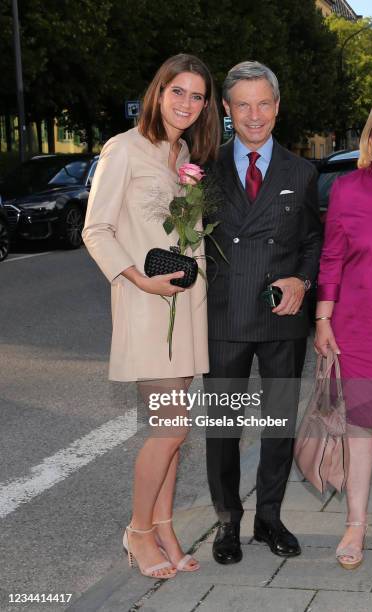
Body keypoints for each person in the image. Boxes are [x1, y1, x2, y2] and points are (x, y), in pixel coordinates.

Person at [82, 54, 220, 579]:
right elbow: (95, 230)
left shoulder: (184, 154)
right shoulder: (123, 149)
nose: (186, 103)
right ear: (157, 92)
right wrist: (137, 279)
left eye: (197, 95)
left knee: (175, 434)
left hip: (185, 311)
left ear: (206, 106)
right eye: (177, 91)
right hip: (146, 308)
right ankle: (138, 531)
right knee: (171, 428)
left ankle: (163, 526)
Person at [203, 61, 322, 564]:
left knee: (277, 422)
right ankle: (227, 521)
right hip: (225, 314)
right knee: (224, 426)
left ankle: (269, 517)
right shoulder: (202, 166)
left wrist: (302, 278)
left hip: (282, 313)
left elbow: (313, 240)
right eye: (243, 105)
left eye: (264, 103)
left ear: (277, 106)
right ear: (227, 110)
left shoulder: (302, 170)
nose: (255, 115)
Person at [315, 96, 372, 569]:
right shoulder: (346, 189)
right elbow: (332, 259)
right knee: (361, 429)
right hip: (360, 327)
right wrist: (322, 319)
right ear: (370, 136)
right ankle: (356, 522)